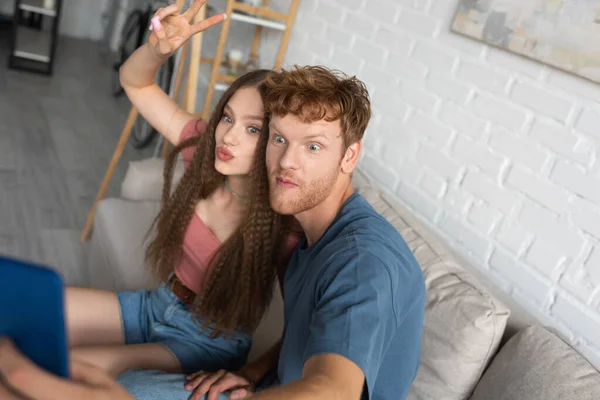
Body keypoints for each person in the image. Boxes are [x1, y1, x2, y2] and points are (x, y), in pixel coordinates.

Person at [0, 65, 426, 400]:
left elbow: (333, 390)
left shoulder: (361, 261)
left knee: (85, 384)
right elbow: (311, 338)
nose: (287, 161)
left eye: (313, 146)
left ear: (350, 155)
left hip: (220, 351)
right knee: (30, 324)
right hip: (218, 349)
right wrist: (253, 372)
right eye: (279, 139)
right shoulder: (313, 240)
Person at [64, 0, 300, 383]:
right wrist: (156, 50)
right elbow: (135, 82)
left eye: (253, 129)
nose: (228, 136)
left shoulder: (286, 225)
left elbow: (305, 323)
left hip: (209, 340)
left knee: (74, 370)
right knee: (38, 307)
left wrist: (254, 374)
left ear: (278, 141)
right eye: (228, 118)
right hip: (157, 303)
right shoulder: (206, 150)